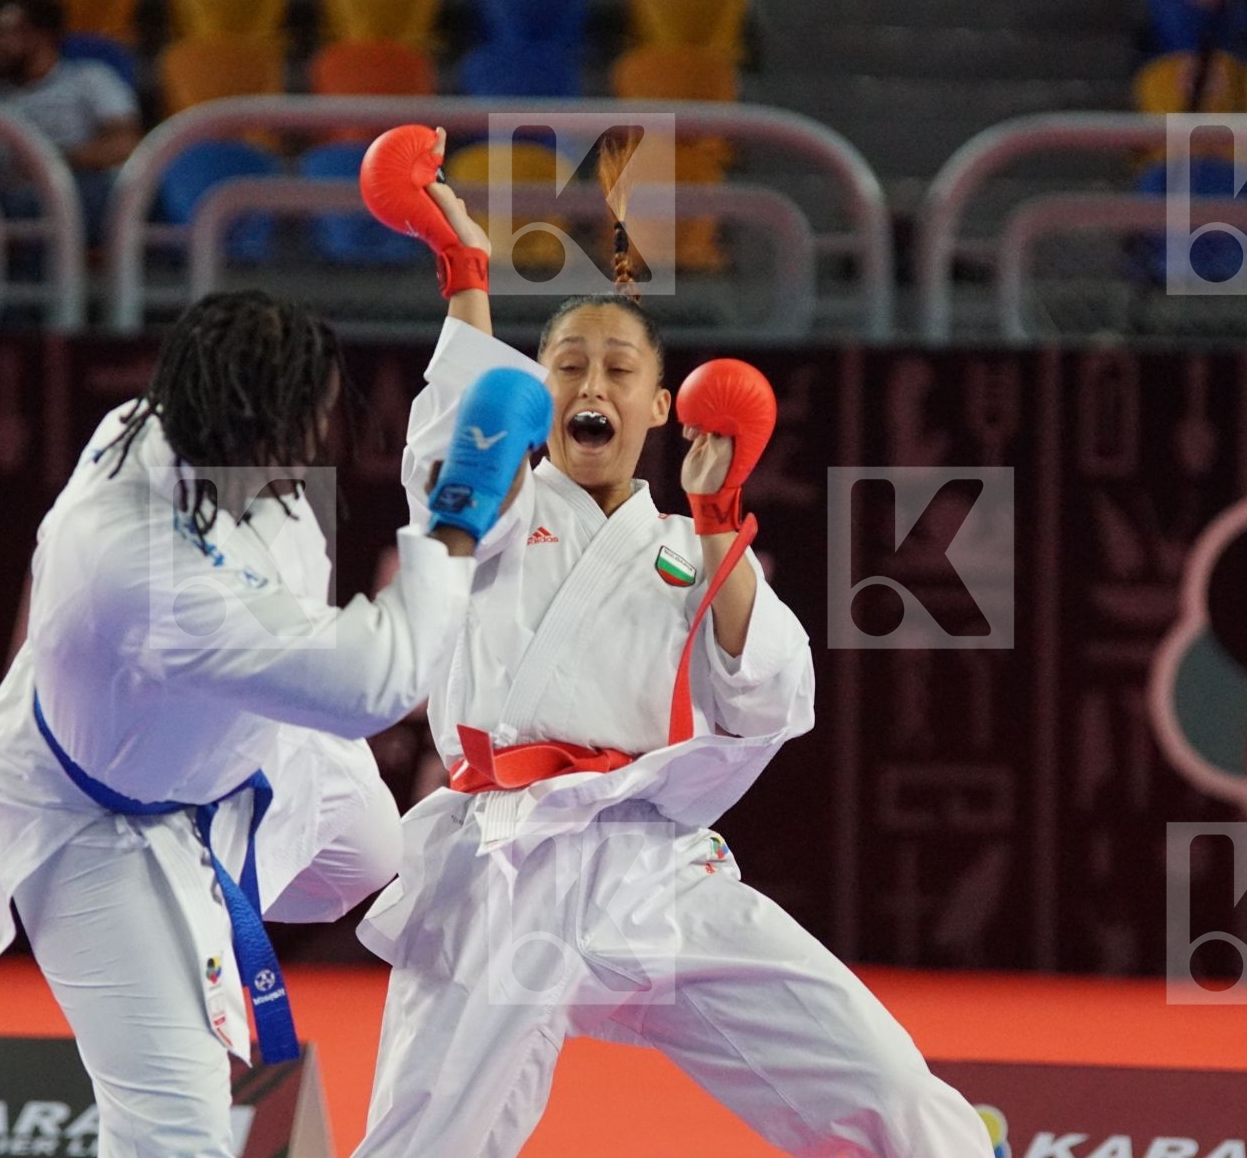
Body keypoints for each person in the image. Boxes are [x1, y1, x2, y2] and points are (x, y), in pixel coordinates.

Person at [349, 125, 995, 1157]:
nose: (590, 386)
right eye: (566, 367)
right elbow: (452, 450)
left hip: (653, 865)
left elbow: (773, 697)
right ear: (540, 396)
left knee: (884, 1085)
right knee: (427, 1144)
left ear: (660, 406)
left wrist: (719, 517)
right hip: (506, 869)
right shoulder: (503, 510)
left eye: (617, 368)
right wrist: (464, 269)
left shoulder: (697, 548)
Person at [0, 289, 549, 1155]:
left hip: (234, 744)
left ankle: (198, 922)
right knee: (177, 1134)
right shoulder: (153, 573)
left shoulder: (164, 429)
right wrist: (454, 522)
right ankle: (172, 949)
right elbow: (378, 680)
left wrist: (466, 290)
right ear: (267, 424)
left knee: (372, 856)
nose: (323, 427)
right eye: (311, 409)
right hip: (100, 833)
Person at [0, 0, 140, 242]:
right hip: (3, 195)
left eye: (7, 32)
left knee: (30, 201)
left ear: (41, 36)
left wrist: (45, 162)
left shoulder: (89, 78)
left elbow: (124, 144)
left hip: (76, 185)